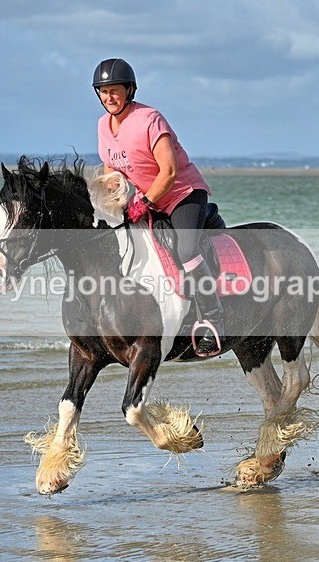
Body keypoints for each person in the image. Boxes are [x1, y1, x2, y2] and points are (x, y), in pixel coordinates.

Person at [92, 58, 223, 357]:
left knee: (186, 250)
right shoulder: (102, 126)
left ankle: (213, 320)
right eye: (103, 91)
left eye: (114, 90)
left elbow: (170, 171)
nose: (109, 97)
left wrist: (145, 202)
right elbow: (112, 172)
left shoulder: (150, 119)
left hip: (182, 194)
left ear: (130, 90)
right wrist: (107, 201)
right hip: (144, 199)